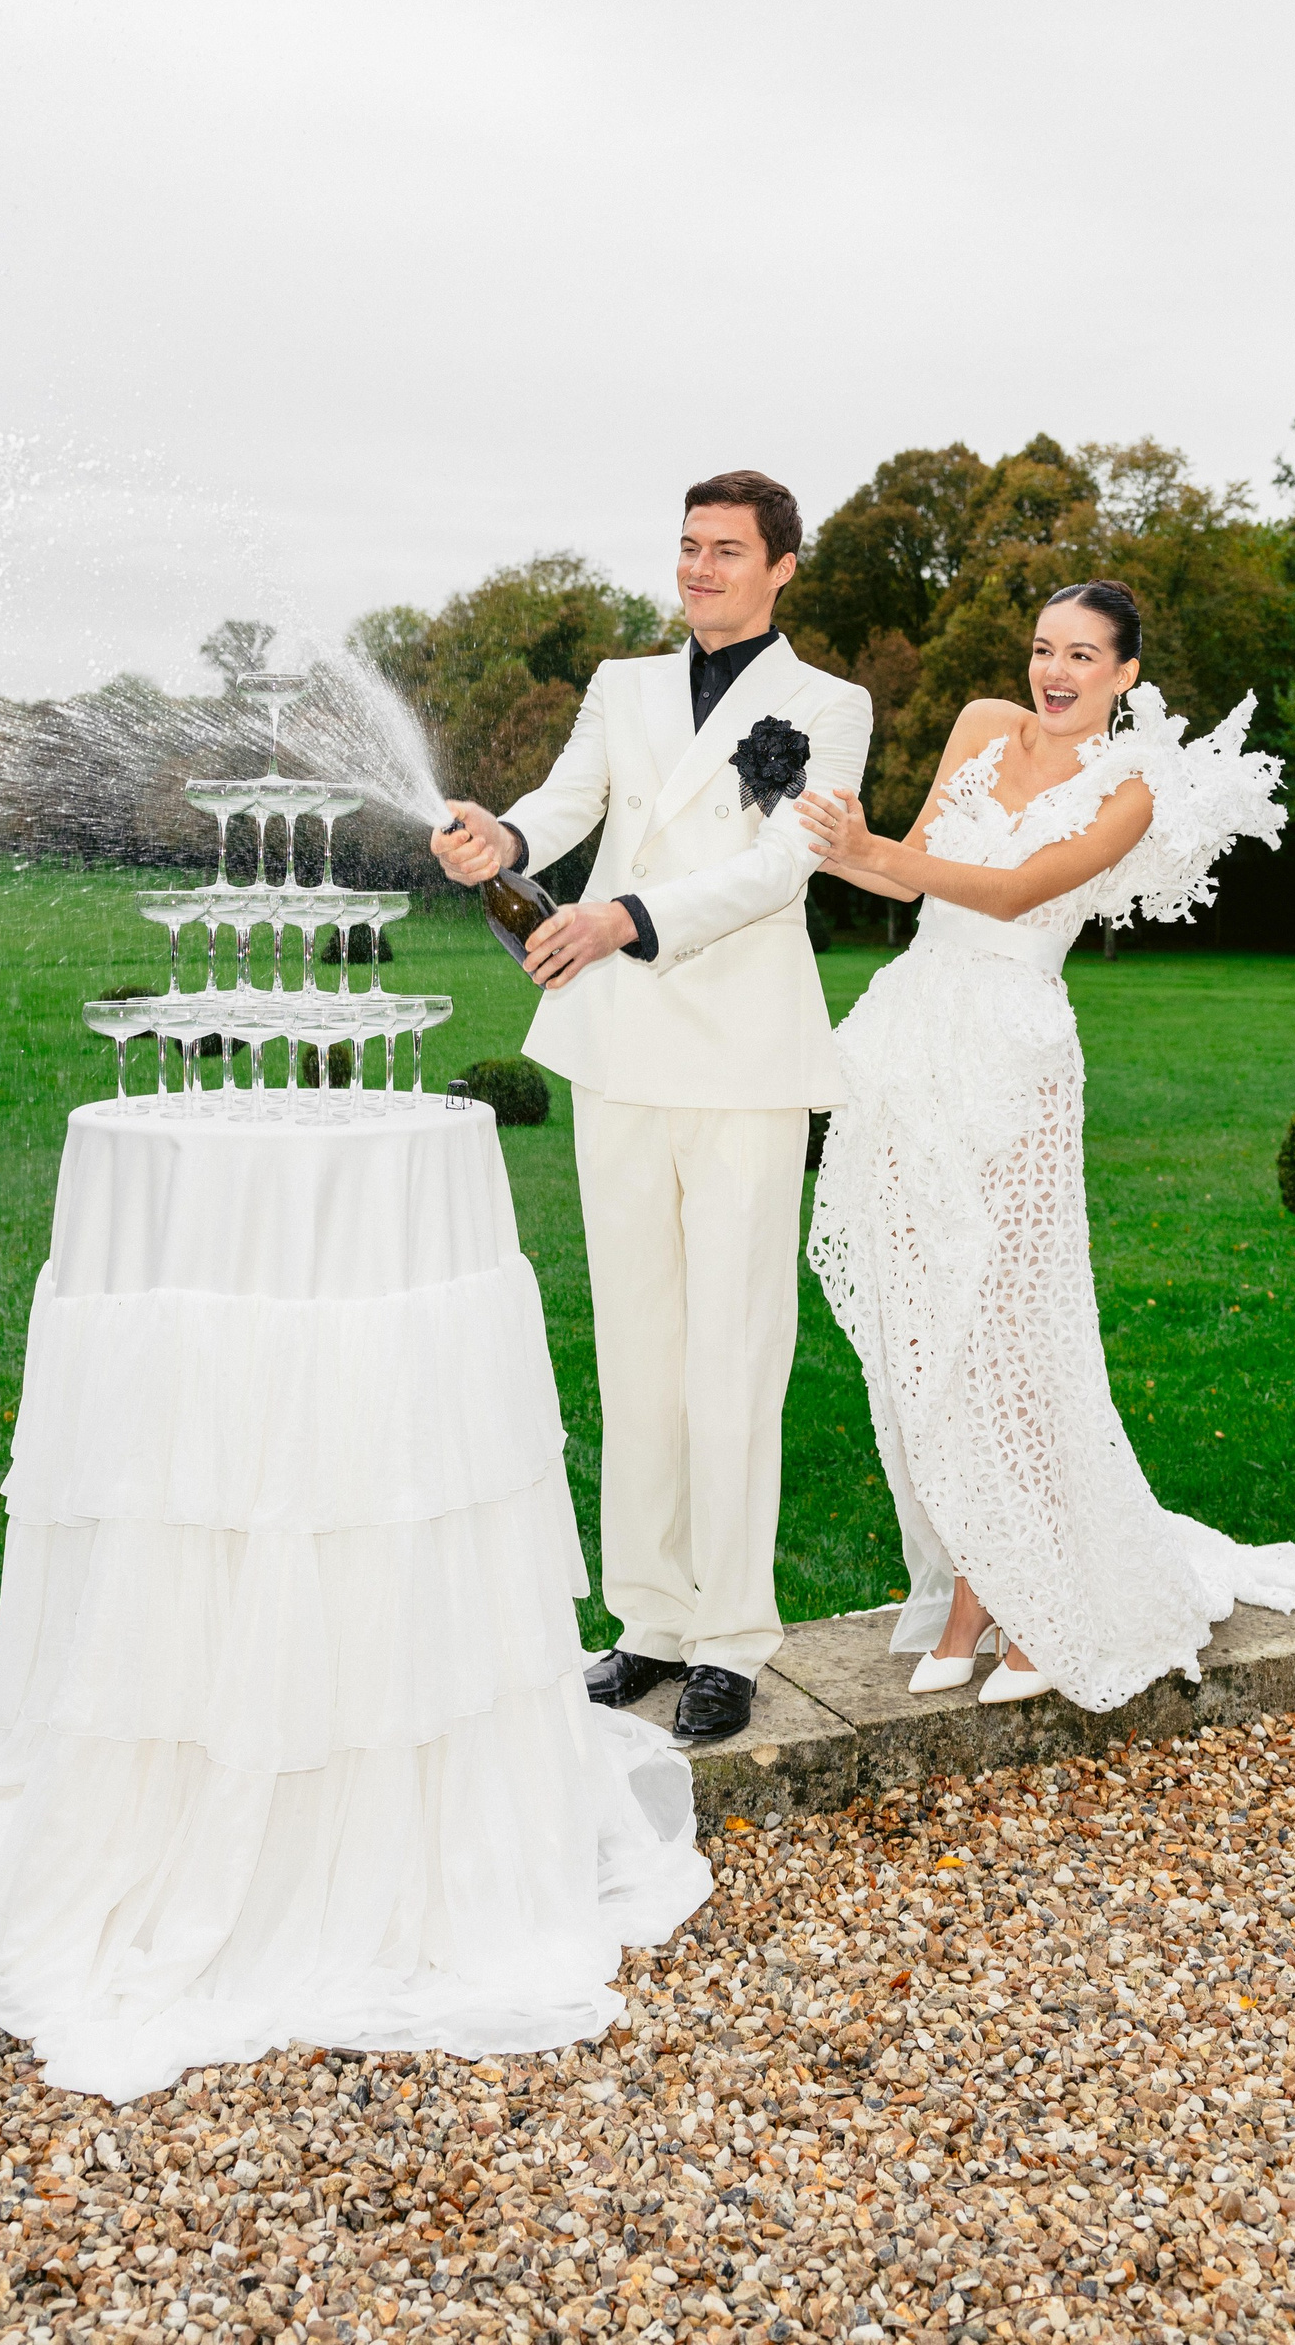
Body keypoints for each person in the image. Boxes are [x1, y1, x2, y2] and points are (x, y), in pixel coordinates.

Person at [800, 577, 1295, 1711]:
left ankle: (1023, 1600)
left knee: (1012, 1326)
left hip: (1014, 1055)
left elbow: (1015, 891)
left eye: (1084, 655)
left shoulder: (1132, 789)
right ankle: (977, 1583)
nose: (1056, 671)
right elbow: (903, 866)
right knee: (925, 1325)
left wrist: (876, 847)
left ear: (1126, 674)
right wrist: (822, 838)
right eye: (1045, 647)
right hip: (909, 1038)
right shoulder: (981, 726)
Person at [432, 472, 871, 1744]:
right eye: (687, 546)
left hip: (743, 1059)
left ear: (782, 568)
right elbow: (565, 805)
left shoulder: (829, 705)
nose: (698, 568)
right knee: (636, 1351)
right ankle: (649, 1624)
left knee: (735, 1354)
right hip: (618, 1051)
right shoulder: (621, 686)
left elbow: (784, 865)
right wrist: (499, 838)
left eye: (726, 550)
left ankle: (731, 1639)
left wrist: (624, 916)